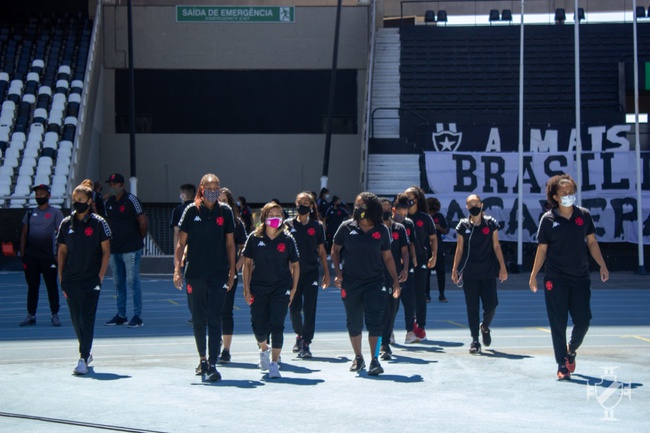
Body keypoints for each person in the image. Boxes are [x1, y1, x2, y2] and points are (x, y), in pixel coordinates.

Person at [529, 174, 609, 380]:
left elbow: (591, 242)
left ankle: (571, 350)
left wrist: (602, 264)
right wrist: (533, 274)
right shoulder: (548, 220)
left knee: (583, 321)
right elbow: (542, 250)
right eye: (563, 193)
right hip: (555, 278)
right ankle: (561, 364)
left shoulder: (584, 215)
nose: (568, 196)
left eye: (571, 192)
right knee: (558, 322)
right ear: (555, 197)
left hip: (580, 277)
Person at [173, 174, 236, 382]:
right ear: (201, 188)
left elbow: (230, 244)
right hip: (195, 273)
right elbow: (181, 243)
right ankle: (202, 359)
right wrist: (177, 268)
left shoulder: (225, 211)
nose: (213, 190)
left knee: (215, 318)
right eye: (209, 186)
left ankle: (213, 362)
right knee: (199, 319)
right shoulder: (191, 211)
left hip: (218, 273)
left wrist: (232, 271)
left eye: (216, 186)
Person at [331, 192, 402, 376]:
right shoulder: (346, 227)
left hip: (375, 282)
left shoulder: (382, 230)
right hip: (351, 282)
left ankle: (374, 360)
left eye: (361, 205)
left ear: (371, 207)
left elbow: (387, 256)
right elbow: (335, 250)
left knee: (375, 321)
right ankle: (358, 357)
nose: (358, 208)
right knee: (353, 322)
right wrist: (338, 274)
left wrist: (395, 280)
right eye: (356, 205)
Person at [57, 180, 111, 375]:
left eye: (81, 199)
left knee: (86, 318)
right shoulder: (65, 224)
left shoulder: (99, 223)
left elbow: (106, 251)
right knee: (75, 319)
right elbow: (62, 252)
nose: (77, 202)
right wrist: (61, 277)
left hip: (90, 279)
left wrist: (100, 276)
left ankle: (82, 357)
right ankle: (86, 353)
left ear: (89, 201)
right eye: (74, 199)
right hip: (70, 280)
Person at [242, 202, 300, 379]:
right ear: (264, 216)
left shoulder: (288, 239)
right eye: (271, 214)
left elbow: (296, 265)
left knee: (277, 325)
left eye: (278, 213)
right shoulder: (254, 237)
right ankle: (264, 349)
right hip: (259, 287)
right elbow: (246, 263)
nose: (275, 217)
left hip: (280, 287)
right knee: (258, 326)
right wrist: (246, 287)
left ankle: (274, 363)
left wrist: (293, 289)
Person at [451, 194, 508, 354]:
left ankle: (485, 326)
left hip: (488, 271)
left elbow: (496, 246)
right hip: (469, 273)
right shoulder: (463, 225)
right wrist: (455, 269)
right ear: (467, 207)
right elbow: (459, 249)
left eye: (476, 203)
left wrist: (502, 267)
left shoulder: (490, 224)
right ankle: (475, 340)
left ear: (482, 205)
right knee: (472, 307)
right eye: (470, 204)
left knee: (491, 305)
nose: (474, 206)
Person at [284, 191, 330, 358]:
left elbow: (322, 251)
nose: (302, 205)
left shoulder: (316, 226)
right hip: (292, 274)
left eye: (305, 202)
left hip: (311, 272)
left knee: (310, 308)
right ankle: (299, 334)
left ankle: (306, 342)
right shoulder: (287, 225)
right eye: (299, 202)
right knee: (294, 308)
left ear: (311, 206)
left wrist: (326, 273)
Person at [103, 173, 149, 327]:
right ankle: (121, 314)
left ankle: (137, 316)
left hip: (130, 248)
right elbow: (107, 222)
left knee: (132, 280)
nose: (113, 187)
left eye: (115, 184)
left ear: (122, 185)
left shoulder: (131, 200)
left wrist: (137, 239)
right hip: (115, 247)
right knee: (118, 281)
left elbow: (142, 221)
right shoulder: (109, 202)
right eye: (111, 184)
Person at [19, 184, 65, 327]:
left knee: (51, 285)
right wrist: (23, 253)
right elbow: (24, 233)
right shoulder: (30, 212)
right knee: (32, 286)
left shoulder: (56, 213)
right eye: (37, 194)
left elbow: (61, 233)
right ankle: (31, 314)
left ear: (48, 196)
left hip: (49, 256)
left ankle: (54, 314)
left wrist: (59, 253)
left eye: (42, 193)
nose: (39, 196)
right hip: (32, 256)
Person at [217, 187, 247, 364]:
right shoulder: (208, 220)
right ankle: (215, 343)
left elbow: (244, 249)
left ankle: (226, 350)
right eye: (218, 200)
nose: (221, 203)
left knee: (226, 311)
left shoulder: (237, 223)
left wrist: (235, 268)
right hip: (210, 272)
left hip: (229, 273)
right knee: (212, 312)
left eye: (225, 201)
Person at [404, 186, 437, 341]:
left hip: (421, 258)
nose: (407, 200)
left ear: (416, 199)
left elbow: (433, 238)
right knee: (405, 295)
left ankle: (421, 327)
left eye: (409, 197)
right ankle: (408, 327)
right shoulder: (400, 217)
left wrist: (434, 255)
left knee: (419, 294)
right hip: (404, 261)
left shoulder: (425, 218)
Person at [379, 198, 409, 360]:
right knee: (380, 311)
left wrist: (405, 269)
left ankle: (386, 336)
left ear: (392, 210)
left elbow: (405, 251)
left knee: (392, 310)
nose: (384, 212)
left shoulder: (399, 228)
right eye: (381, 209)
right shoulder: (372, 228)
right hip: (376, 275)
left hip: (394, 275)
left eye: (387, 209)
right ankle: (383, 343)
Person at [393, 193, 419, 344]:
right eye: (399, 214)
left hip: (406, 266)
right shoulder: (387, 224)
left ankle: (410, 331)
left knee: (409, 300)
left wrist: (413, 259)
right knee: (393, 303)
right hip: (392, 266)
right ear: (394, 210)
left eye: (405, 214)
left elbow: (411, 244)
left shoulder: (409, 224)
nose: (402, 217)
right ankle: (389, 331)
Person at [170, 183, 196, 324]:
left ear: (184, 195)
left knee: (190, 284)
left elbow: (176, 233)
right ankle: (200, 314)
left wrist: (176, 255)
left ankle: (194, 314)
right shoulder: (200, 207)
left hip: (187, 252)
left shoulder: (178, 210)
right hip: (200, 251)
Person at [427, 197, 449, 303]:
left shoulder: (439, 217)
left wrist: (439, 228)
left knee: (441, 272)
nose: (432, 213)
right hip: (426, 247)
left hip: (439, 247)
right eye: (430, 211)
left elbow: (446, 231)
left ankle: (442, 294)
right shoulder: (424, 217)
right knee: (426, 273)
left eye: (434, 211)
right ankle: (427, 294)